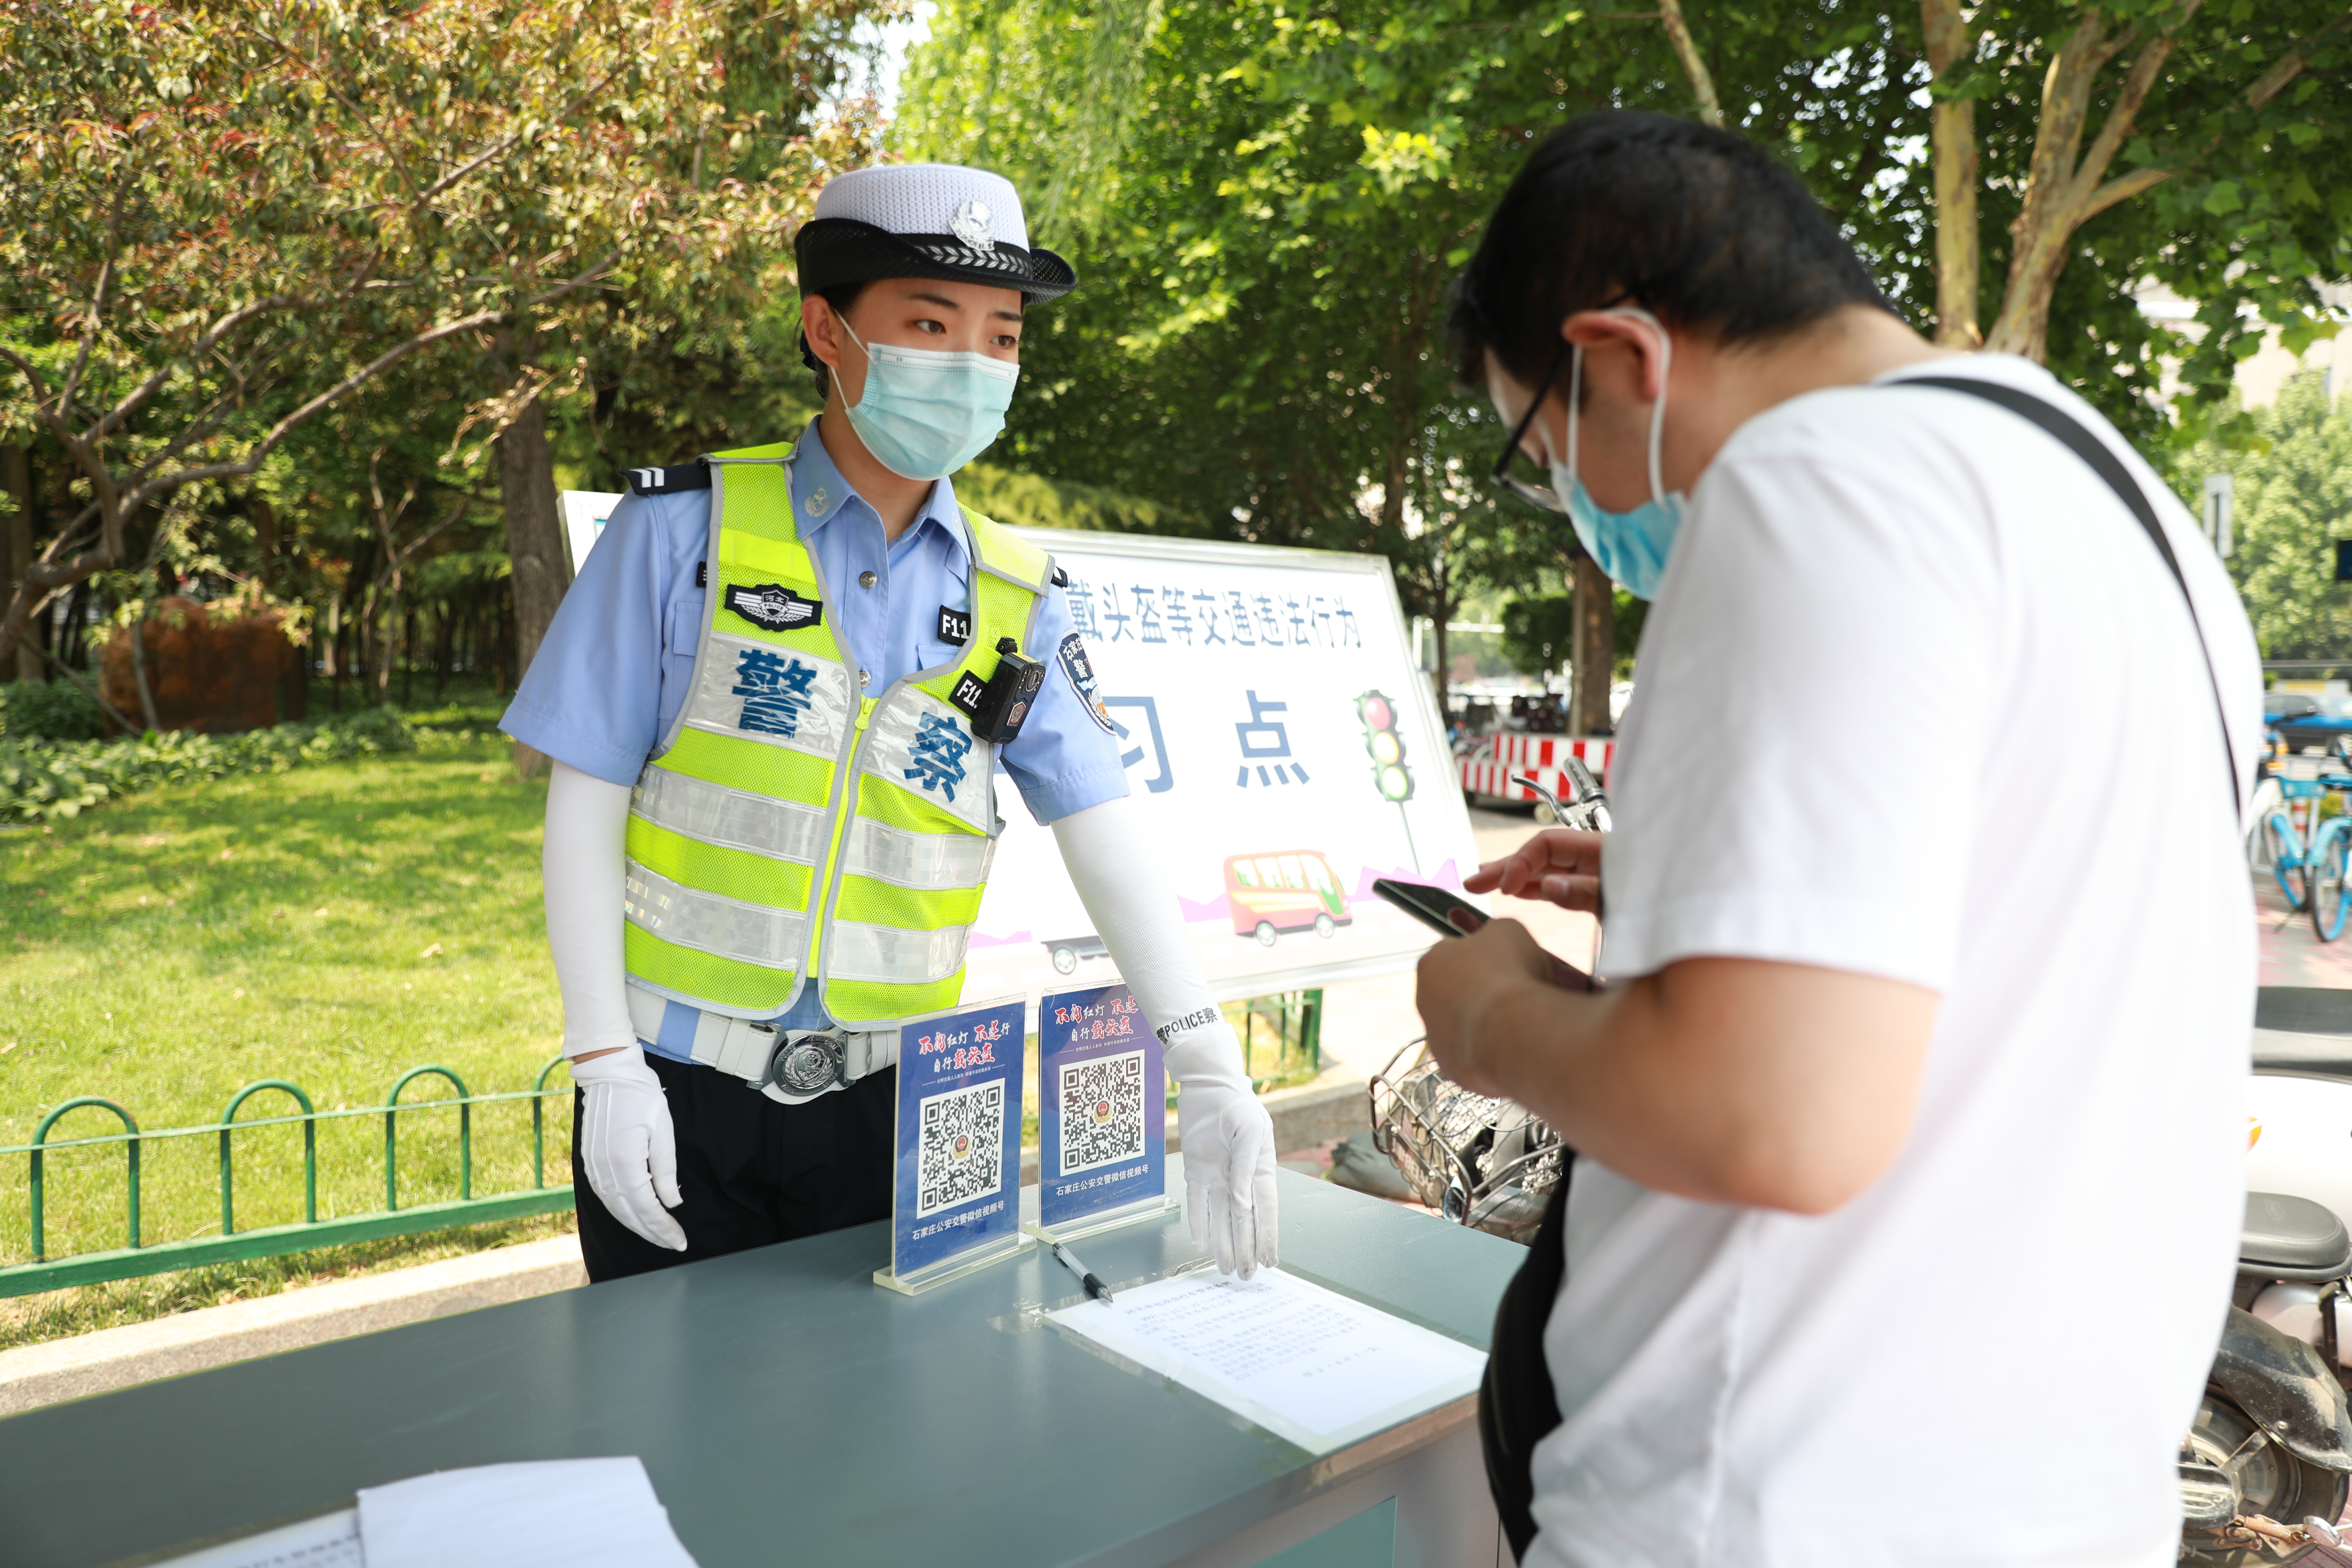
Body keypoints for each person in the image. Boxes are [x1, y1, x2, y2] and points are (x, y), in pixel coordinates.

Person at [1418, 112, 2259, 1566]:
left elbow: (1772, 1114)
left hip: (1770, 1508)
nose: (1574, 508)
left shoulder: (1810, 487)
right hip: (2061, 1506)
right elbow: (2032, 912)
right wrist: (1704, 883)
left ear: (1620, 358)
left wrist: (1491, 1017)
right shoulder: (2126, 513)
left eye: (1545, 449)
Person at [498, 163, 1278, 1285]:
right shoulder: (683, 531)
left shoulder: (1023, 593)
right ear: (827, 327)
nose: (971, 364)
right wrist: (605, 1058)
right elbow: (587, 792)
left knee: (875, 1424)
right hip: (678, 1091)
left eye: (1002, 337)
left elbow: (1097, 817)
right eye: (929, 322)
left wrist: (1202, 1057)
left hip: (906, 1104)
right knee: (666, 1421)